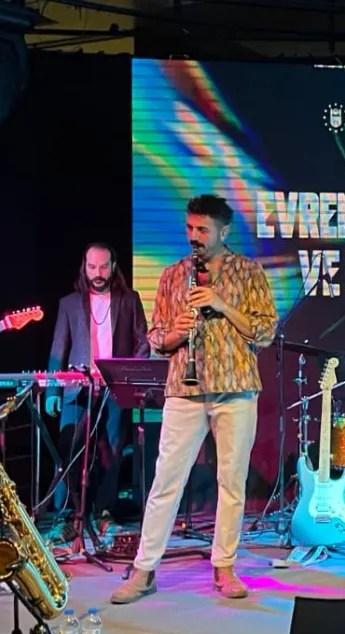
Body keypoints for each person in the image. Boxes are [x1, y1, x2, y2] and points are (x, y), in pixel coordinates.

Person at [111, 194, 277, 603]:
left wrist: (222, 304)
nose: (194, 236)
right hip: (184, 391)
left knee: (231, 482)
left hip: (236, 388)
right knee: (166, 481)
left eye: (203, 229)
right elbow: (156, 338)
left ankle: (225, 566)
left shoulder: (249, 272)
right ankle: (144, 570)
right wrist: (176, 334)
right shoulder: (173, 275)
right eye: (190, 228)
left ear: (224, 231)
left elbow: (265, 332)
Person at [46, 243, 150, 532]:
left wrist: (131, 377)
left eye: (103, 266)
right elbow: (58, 349)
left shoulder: (129, 300)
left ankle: (104, 512)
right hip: (77, 389)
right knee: (70, 449)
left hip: (115, 389)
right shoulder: (69, 303)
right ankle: (71, 514)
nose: (98, 273)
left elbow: (142, 342)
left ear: (113, 267)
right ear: (85, 267)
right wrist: (53, 390)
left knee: (112, 452)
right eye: (92, 267)